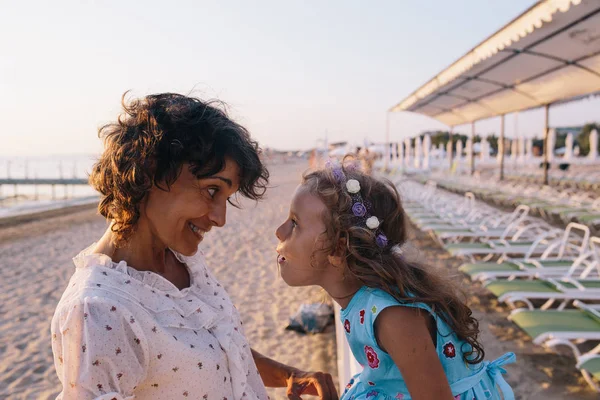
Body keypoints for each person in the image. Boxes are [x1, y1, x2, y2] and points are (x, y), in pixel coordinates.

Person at [51, 93, 337, 400]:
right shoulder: (98, 311)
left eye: (226, 198)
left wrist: (290, 375)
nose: (220, 218)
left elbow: (215, 347)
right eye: (211, 190)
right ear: (150, 170)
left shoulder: (180, 260)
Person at [274, 159, 515, 400]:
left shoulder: (393, 318)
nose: (280, 231)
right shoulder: (364, 301)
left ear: (338, 250)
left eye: (295, 223)